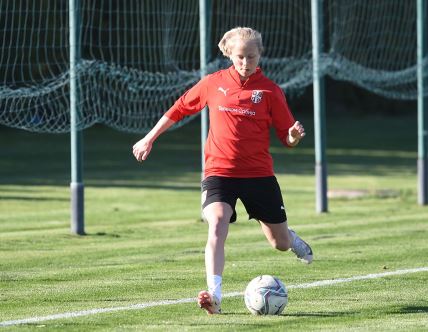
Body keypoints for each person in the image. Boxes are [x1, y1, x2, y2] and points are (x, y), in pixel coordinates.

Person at [132, 27, 313, 315]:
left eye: (251, 57)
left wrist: (294, 136)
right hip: (219, 172)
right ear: (229, 53)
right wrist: (149, 138)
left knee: (278, 243)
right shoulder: (212, 83)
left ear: (260, 55)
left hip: (258, 175)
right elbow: (179, 109)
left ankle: (291, 238)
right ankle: (213, 296)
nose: (245, 63)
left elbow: (287, 138)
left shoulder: (270, 91)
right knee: (217, 223)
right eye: (240, 56)